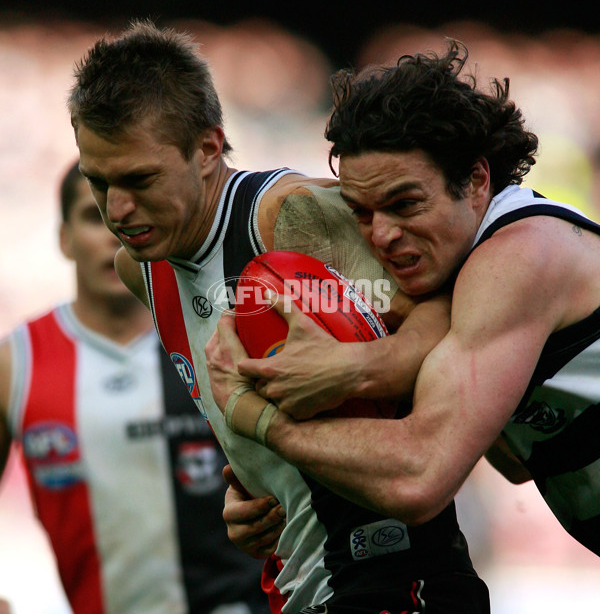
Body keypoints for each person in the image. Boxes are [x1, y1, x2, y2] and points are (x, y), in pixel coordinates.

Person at [68, 20, 491, 613]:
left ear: (209, 149)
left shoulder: (283, 219)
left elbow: (453, 300)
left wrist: (363, 365)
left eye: (140, 179)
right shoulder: (142, 267)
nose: (117, 208)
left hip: (395, 580)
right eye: (98, 182)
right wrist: (245, 489)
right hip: (296, 590)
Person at [208, 41, 600, 559]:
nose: (383, 235)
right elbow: (515, 462)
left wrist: (260, 419)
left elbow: (421, 478)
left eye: (405, 204)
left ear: (477, 179)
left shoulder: (519, 255)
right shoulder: (463, 278)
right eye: (362, 213)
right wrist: (278, 491)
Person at [0, 160, 270, 614]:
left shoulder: (216, 334)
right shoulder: (17, 362)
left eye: (122, 213)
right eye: (92, 215)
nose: (112, 231)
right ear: (64, 239)